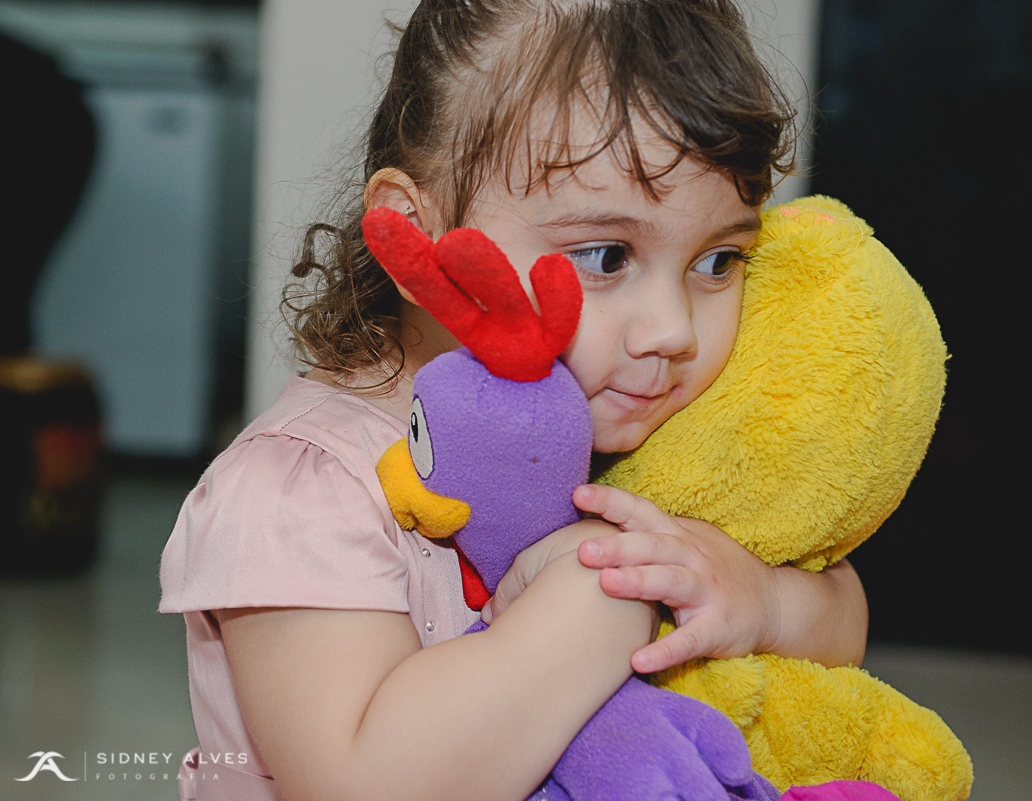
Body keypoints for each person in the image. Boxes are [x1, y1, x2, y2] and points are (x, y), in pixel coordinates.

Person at [159, 2, 869, 800]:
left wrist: (759, 596)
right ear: (414, 235)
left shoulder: (650, 433)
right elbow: (363, 781)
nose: (673, 331)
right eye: (606, 255)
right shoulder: (304, 490)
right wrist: (609, 590)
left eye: (717, 260)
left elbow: (842, 611)